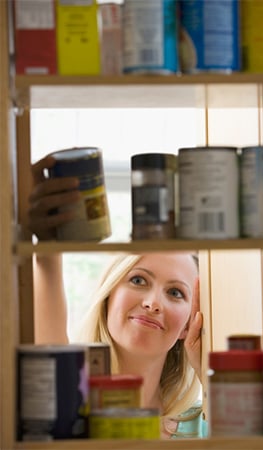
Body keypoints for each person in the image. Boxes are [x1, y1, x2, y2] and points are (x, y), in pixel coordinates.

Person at [28, 155, 208, 439]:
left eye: (175, 292)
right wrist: (47, 244)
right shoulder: (69, 407)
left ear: (188, 325)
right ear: (108, 297)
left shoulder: (204, 425)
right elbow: (49, 343)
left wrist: (207, 373)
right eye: (138, 280)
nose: (152, 303)